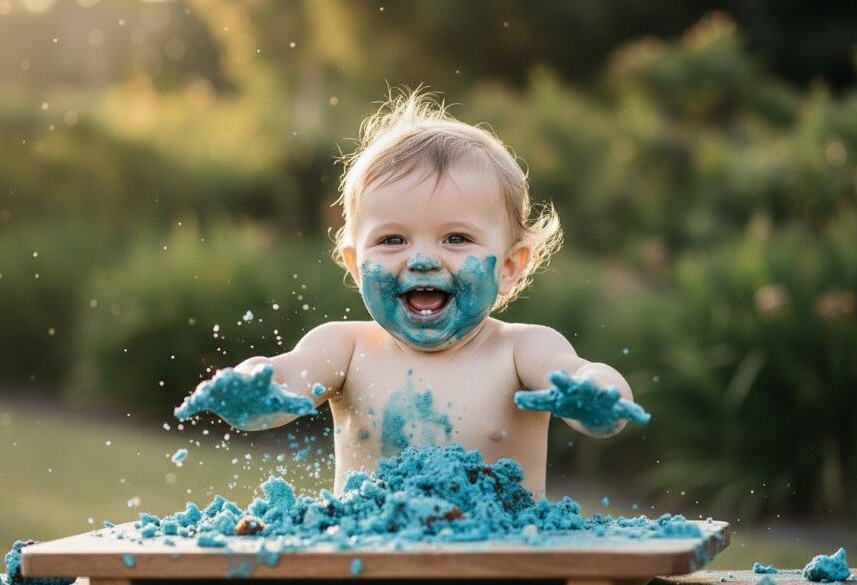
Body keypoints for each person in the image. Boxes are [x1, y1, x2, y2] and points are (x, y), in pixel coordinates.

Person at [176, 88, 642, 498]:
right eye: (392, 240)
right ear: (356, 265)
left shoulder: (523, 350)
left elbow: (586, 377)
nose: (421, 259)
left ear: (508, 267)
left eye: (456, 239)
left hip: (502, 566)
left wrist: (595, 398)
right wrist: (254, 391)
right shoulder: (346, 347)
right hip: (370, 565)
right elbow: (288, 376)